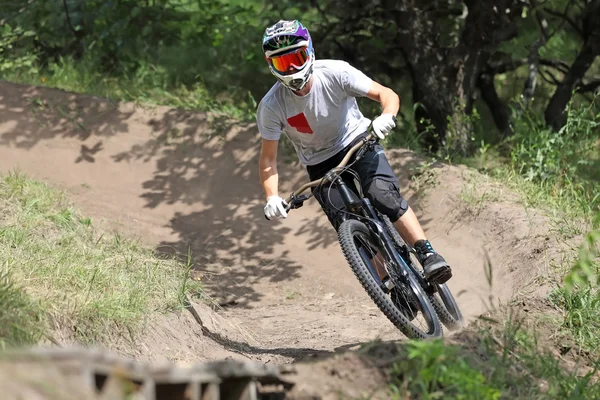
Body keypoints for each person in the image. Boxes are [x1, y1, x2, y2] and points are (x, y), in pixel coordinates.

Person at [255, 19, 452, 285]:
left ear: (310, 51)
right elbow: (268, 160)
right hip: (319, 164)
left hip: (357, 141)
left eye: (296, 57)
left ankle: (427, 253)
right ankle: (389, 284)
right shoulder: (271, 106)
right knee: (349, 223)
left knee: (382, 194)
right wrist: (271, 198)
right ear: (271, 66)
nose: (291, 68)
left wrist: (387, 116)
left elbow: (386, 94)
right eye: (282, 63)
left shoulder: (335, 72)